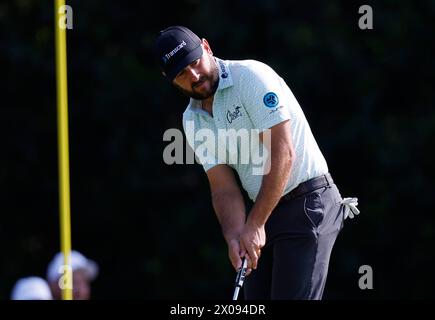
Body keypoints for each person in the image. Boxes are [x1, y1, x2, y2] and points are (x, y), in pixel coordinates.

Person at [153, 26, 359, 299]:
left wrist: (256, 224)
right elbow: (223, 187)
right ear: (169, 79)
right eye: (182, 73)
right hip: (264, 211)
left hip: (308, 203)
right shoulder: (192, 120)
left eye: (194, 62)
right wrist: (235, 236)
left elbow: (283, 152)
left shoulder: (249, 76)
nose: (194, 75)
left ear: (206, 47)